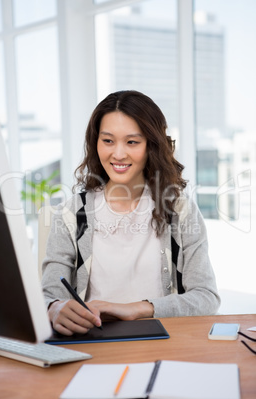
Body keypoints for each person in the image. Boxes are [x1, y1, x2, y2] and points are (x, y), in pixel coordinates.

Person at [42, 90, 220, 336]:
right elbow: (48, 295)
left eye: (132, 142)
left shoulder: (179, 209)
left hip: (163, 341)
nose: (118, 154)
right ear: (96, 143)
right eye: (108, 141)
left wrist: (138, 309)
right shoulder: (72, 212)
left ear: (151, 145)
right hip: (93, 342)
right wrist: (54, 307)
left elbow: (206, 298)